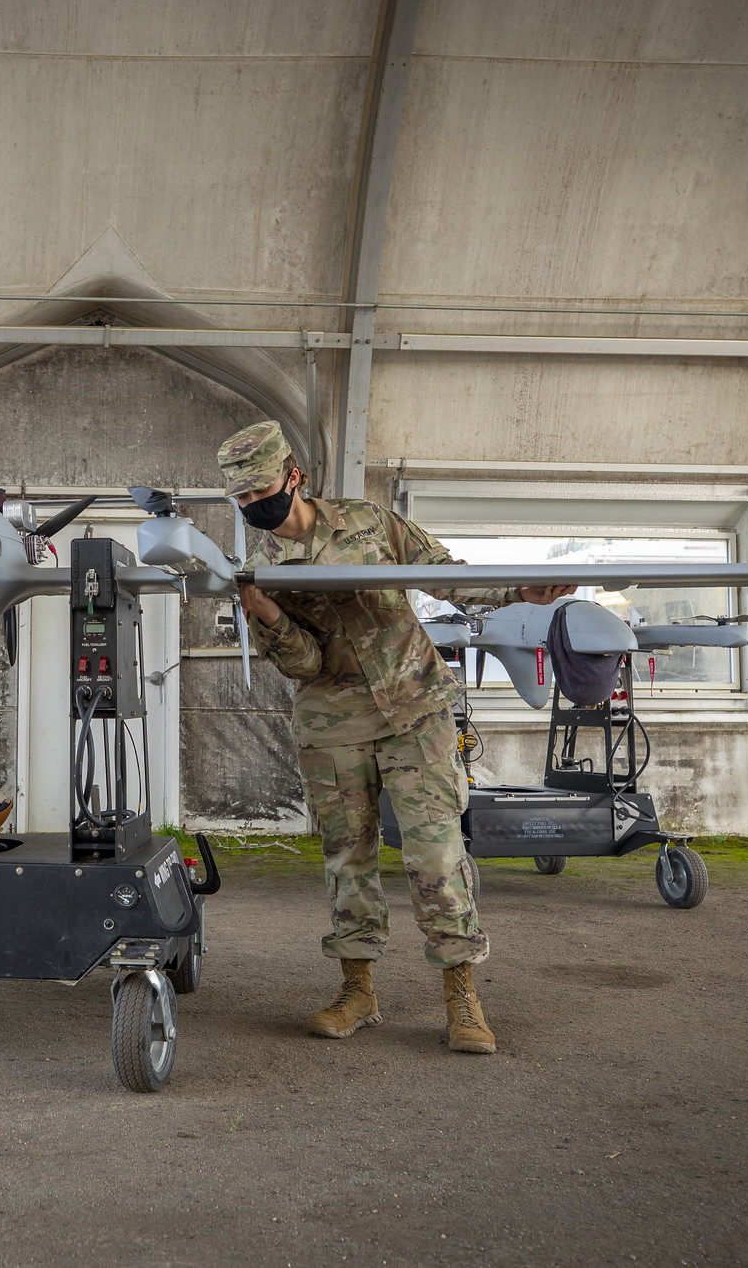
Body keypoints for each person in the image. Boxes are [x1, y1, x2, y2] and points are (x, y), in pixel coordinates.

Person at [219, 420, 572, 1052]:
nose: (255, 506)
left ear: (293, 476)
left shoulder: (369, 522)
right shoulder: (257, 566)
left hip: (413, 707)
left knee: (436, 855)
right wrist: (267, 614)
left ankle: (461, 996)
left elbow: (443, 575)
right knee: (347, 857)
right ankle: (358, 992)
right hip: (333, 720)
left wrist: (518, 590)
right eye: (242, 499)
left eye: (262, 490)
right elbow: (304, 664)